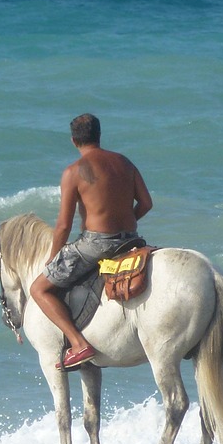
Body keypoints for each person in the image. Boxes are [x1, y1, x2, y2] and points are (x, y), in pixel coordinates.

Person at [29, 113, 152, 371]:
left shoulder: (73, 172)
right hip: (131, 239)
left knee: (38, 289)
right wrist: (128, 221)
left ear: (74, 141)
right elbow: (146, 203)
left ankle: (78, 343)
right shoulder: (125, 163)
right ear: (99, 135)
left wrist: (53, 258)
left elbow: (63, 226)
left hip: (96, 244)